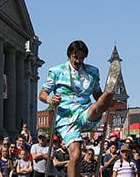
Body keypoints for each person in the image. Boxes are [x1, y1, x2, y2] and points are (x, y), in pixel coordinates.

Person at [39, 41, 120, 177]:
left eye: (81, 58)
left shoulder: (92, 72)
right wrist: (50, 99)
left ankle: (109, 91)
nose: (78, 61)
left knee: (96, 108)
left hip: (84, 111)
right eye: (75, 57)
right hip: (66, 117)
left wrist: (107, 101)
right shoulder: (56, 71)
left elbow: (96, 94)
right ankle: (108, 95)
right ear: (69, 55)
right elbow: (42, 94)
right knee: (76, 156)